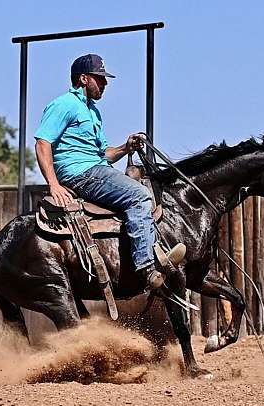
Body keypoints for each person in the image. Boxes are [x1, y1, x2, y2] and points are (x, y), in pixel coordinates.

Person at [33, 53, 184, 290]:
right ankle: (146, 268)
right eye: (100, 78)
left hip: (95, 168)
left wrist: (126, 147)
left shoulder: (93, 112)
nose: (105, 83)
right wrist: (53, 184)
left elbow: (104, 155)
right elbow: (43, 143)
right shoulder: (64, 104)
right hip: (80, 173)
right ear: (83, 79)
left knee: (148, 189)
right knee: (138, 196)